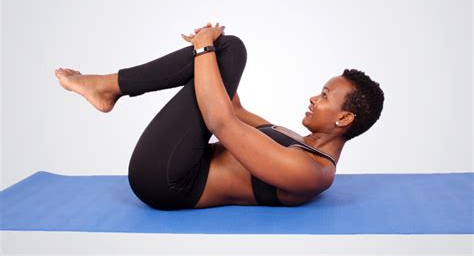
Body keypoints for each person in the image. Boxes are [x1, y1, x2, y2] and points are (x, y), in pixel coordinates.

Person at [54, 22, 385, 210]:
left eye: (325, 96)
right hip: (179, 164)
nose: (314, 98)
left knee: (228, 50)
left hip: (167, 183)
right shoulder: (297, 140)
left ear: (344, 119)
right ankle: (108, 87)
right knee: (227, 50)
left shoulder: (313, 173)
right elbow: (235, 110)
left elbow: (221, 122)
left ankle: (108, 86)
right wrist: (211, 56)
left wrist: (204, 49)